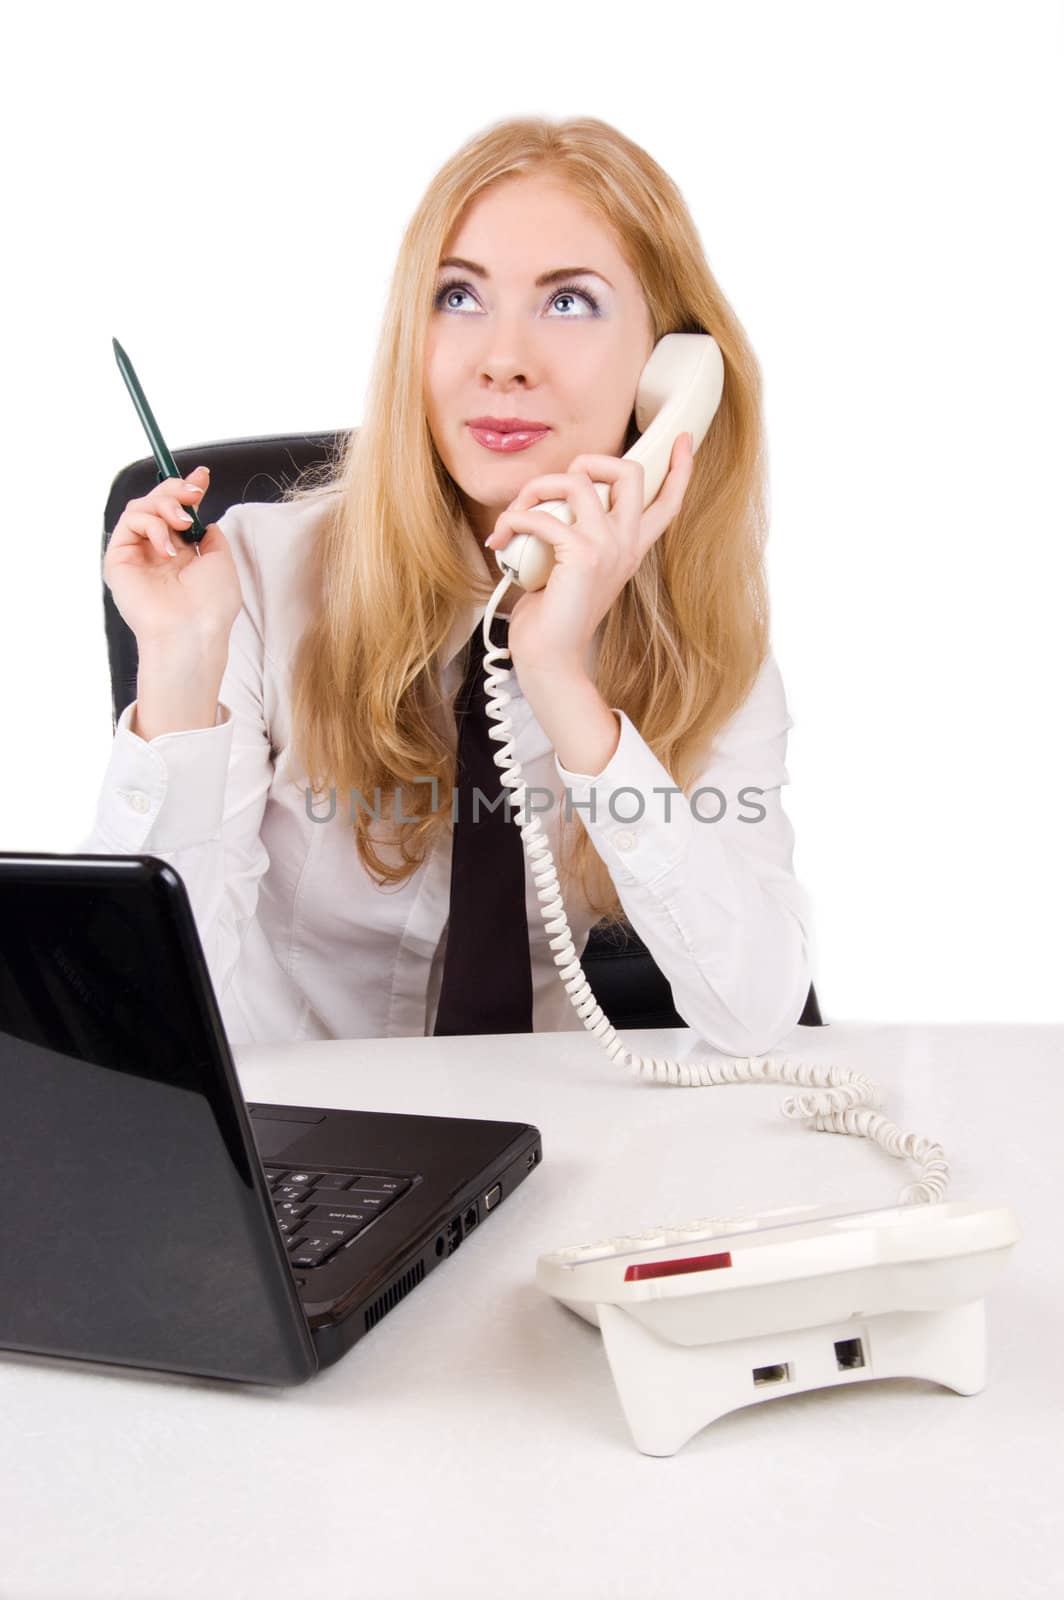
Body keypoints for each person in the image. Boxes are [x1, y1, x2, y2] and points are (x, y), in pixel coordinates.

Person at [79, 114, 816, 1052]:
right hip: (300, 1137)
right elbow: (133, 1018)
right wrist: (182, 675)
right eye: (458, 297)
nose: (501, 359)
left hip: (549, 1144)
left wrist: (560, 677)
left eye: (569, 303)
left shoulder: (700, 639)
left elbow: (757, 1011)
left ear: (670, 366)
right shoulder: (263, 575)